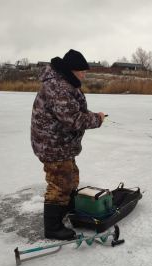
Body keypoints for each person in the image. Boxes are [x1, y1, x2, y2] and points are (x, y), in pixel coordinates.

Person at [31, 49, 105, 240]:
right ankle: (53, 227)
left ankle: (68, 209)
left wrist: (90, 115)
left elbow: (71, 111)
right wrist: (96, 119)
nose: (84, 75)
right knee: (60, 184)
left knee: (71, 176)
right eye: (82, 71)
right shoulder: (60, 87)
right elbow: (72, 120)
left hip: (61, 143)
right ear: (72, 69)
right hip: (53, 145)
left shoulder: (63, 83)